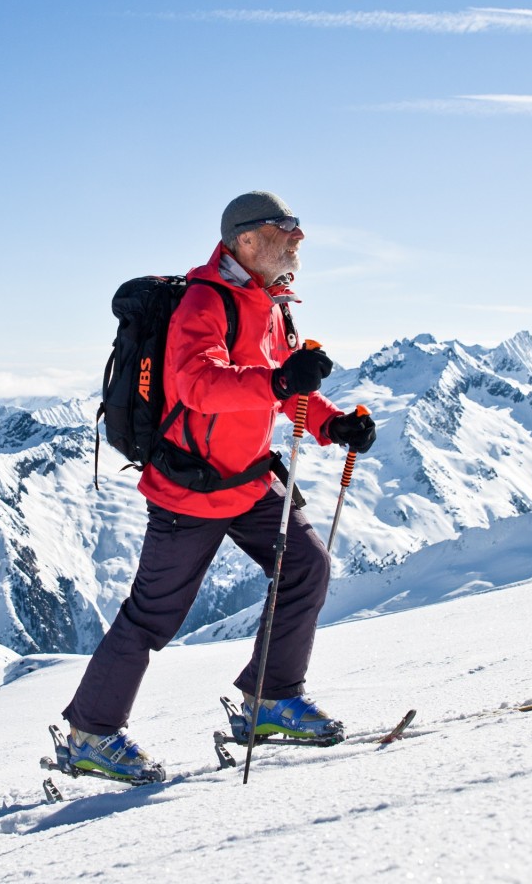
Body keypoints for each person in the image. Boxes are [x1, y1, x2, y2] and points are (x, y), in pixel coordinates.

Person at [61, 190, 378, 781]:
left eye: (298, 227)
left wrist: (334, 423)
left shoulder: (271, 303)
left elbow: (286, 392)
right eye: (285, 228)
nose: (297, 237)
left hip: (251, 476)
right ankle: (90, 732)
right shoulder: (207, 301)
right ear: (246, 240)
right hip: (193, 486)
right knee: (154, 616)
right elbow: (198, 384)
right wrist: (280, 377)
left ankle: (270, 698)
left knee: (306, 564)